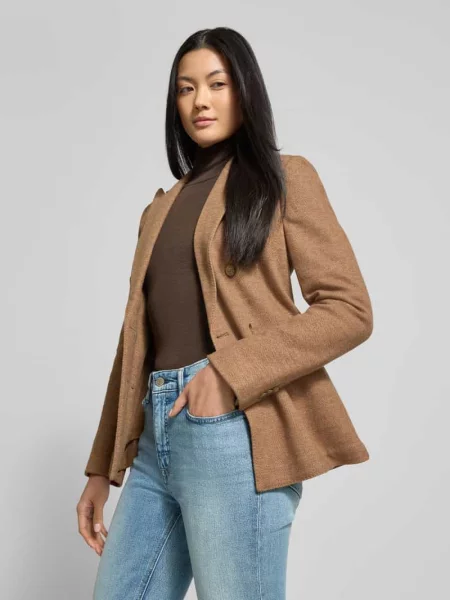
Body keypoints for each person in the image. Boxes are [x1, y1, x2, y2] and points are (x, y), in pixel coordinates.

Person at [76, 26, 373, 600]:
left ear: (245, 91)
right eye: (186, 89)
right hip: (155, 436)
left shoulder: (284, 179)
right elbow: (135, 344)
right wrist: (100, 467)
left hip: (235, 431)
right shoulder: (158, 211)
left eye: (217, 84)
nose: (200, 101)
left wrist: (229, 374)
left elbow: (349, 309)